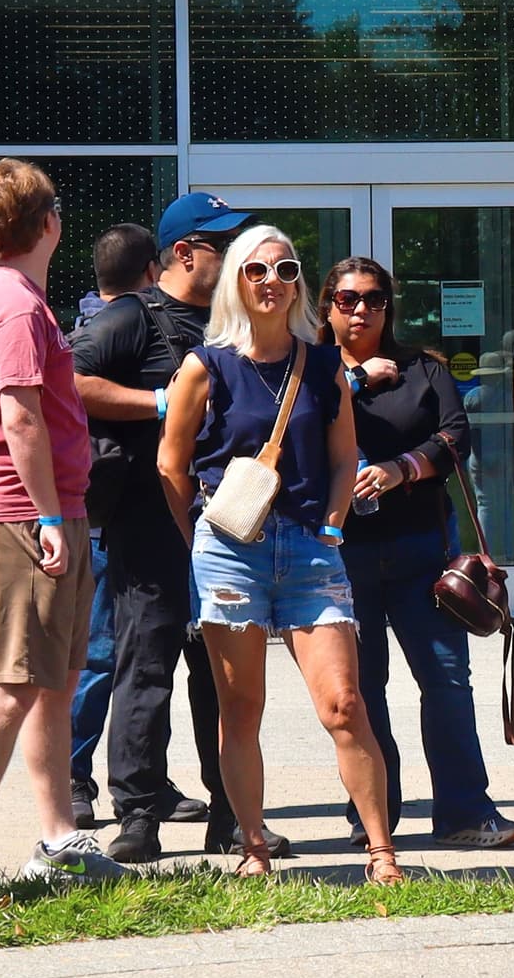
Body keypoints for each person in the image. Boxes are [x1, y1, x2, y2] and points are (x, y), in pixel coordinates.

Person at [156, 225, 403, 881]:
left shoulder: (322, 365)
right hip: (231, 553)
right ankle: (255, 851)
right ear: (236, 279)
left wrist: (332, 523)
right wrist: (201, 536)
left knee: (345, 705)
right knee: (240, 710)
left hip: (310, 549)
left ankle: (382, 851)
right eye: (257, 269)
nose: (272, 280)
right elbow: (170, 464)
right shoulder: (205, 366)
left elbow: (345, 454)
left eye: (286, 269)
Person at [0, 158, 119, 885]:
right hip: (20, 511)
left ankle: (58, 839)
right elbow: (20, 419)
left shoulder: (16, 296)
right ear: (48, 222)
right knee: (16, 683)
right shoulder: (14, 306)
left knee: (55, 680)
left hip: (52, 510)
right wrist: (48, 514)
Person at [325, 253, 514, 853]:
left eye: (375, 299)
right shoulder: (311, 373)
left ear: (390, 306)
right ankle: (374, 816)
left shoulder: (424, 368)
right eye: (347, 299)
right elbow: (297, 433)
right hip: (341, 557)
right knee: (361, 689)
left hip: (421, 549)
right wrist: (357, 380)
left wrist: (400, 469)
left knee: (446, 681)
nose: (362, 309)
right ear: (328, 308)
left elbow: (455, 436)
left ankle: (465, 812)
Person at [77, 192, 245, 861]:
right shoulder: (132, 316)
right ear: (185, 253)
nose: (235, 259)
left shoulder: (235, 324)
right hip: (149, 524)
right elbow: (66, 381)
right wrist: (158, 401)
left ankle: (231, 814)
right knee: (144, 668)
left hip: (228, 529)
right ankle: (139, 818)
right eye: (223, 247)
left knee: (227, 677)